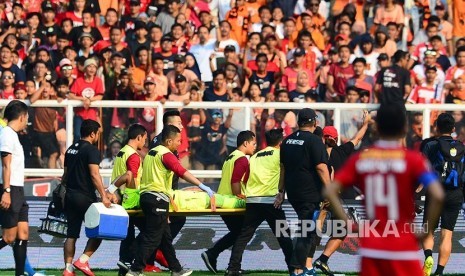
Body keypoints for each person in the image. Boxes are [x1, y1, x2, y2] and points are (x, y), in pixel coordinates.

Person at [325, 103, 445, 276]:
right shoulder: (412, 159)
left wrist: (350, 224)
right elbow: (438, 194)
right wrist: (426, 232)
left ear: (377, 126)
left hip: (372, 249)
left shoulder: (362, 158)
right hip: (403, 247)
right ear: (404, 127)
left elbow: (330, 190)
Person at [125, 125, 215, 276]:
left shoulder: (150, 153)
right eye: (178, 141)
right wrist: (202, 185)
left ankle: (176, 269)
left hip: (147, 197)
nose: (180, 144)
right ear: (168, 141)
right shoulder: (165, 154)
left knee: (165, 238)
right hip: (157, 199)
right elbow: (181, 171)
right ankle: (134, 268)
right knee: (153, 238)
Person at [225, 129, 293, 276]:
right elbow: (284, 171)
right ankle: (294, 268)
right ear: (280, 142)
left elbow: (246, 178)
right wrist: (281, 192)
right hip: (271, 201)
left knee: (243, 236)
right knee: (284, 236)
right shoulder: (280, 154)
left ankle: (232, 268)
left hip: (253, 201)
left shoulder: (254, 156)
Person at [62, 119, 116, 276]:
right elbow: (94, 174)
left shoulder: (70, 149)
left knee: (71, 235)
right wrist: (104, 196)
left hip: (70, 196)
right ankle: (83, 260)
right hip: (85, 197)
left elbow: (65, 175)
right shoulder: (91, 150)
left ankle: (68, 269)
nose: (98, 136)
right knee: (101, 230)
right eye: (98, 133)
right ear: (92, 133)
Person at [280, 108, 331, 276]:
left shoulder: (287, 141)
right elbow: (322, 168)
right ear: (315, 122)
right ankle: (297, 268)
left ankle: (305, 267)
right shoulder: (315, 141)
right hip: (309, 193)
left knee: (308, 227)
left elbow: (283, 169)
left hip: (293, 193)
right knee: (308, 229)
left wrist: (281, 191)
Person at [201, 131, 257, 274]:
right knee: (243, 233)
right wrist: (240, 196)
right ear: (245, 143)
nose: (255, 147)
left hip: (223, 200)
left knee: (238, 233)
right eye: (253, 143)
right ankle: (225, 262)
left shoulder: (230, 157)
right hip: (231, 203)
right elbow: (235, 181)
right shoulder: (242, 159)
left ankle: (215, 255)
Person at [421, 113, 465, 276]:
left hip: (435, 192)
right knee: (447, 233)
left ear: (436, 127)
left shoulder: (429, 145)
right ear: (453, 129)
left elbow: (422, 169)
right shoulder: (461, 146)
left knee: (428, 230)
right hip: (455, 193)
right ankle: (439, 272)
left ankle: (428, 257)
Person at [107, 124, 147, 276]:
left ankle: (125, 263)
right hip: (130, 198)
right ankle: (127, 259)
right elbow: (131, 177)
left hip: (119, 197)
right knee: (152, 231)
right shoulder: (133, 155)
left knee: (129, 234)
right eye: (144, 139)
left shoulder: (122, 151)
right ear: (138, 137)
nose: (144, 142)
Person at [0, 100, 29, 276]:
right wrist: (6, 191)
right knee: (9, 237)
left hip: (18, 190)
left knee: (23, 233)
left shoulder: (12, 134)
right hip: (11, 189)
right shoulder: (7, 135)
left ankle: (19, 274)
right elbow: (6, 165)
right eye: (27, 117)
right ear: (22, 116)